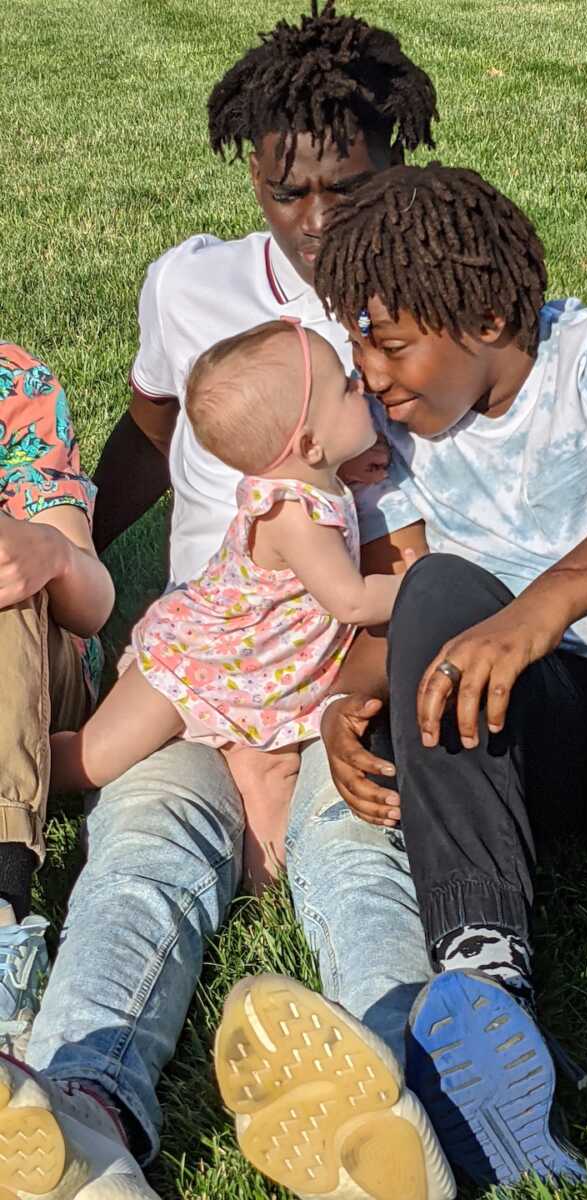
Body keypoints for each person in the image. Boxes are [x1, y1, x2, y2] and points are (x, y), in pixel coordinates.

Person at [244, 161, 587, 1198]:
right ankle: (483, 978)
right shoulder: (402, 442)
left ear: (491, 314)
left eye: (391, 343)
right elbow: (402, 612)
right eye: (359, 343)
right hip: (533, 748)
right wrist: (344, 710)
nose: (373, 375)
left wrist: (544, 606)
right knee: (436, 590)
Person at [0, 8, 453, 1200]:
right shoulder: (190, 285)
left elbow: (417, 550)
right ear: (249, 171)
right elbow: (147, 439)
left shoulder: (417, 318)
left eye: (344, 190)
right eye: (281, 190)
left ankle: (404, 1098)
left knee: (360, 860)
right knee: (140, 860)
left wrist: (361, 703)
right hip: (203, 671)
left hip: (331, 682)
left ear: (393, 164)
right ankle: (77, 1111)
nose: (312, 223)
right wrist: (66, 558)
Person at [52, 319, 416, 888]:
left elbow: (321, 480)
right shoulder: (292, 514)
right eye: (346, 386)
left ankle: (267, 897)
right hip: (195, 664)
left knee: (271, 774)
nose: (360, 386)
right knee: (92, 760)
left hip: (259, 677)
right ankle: (27, 768)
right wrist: (420, 583)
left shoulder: (311, 479)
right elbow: (349, 600)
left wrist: (347, 469)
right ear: (309, 444)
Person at [0, 343, 114, 1058]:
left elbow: (93, 605)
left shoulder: (15, 384)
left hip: (36, 668)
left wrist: (56, 555)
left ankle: (3, 915)